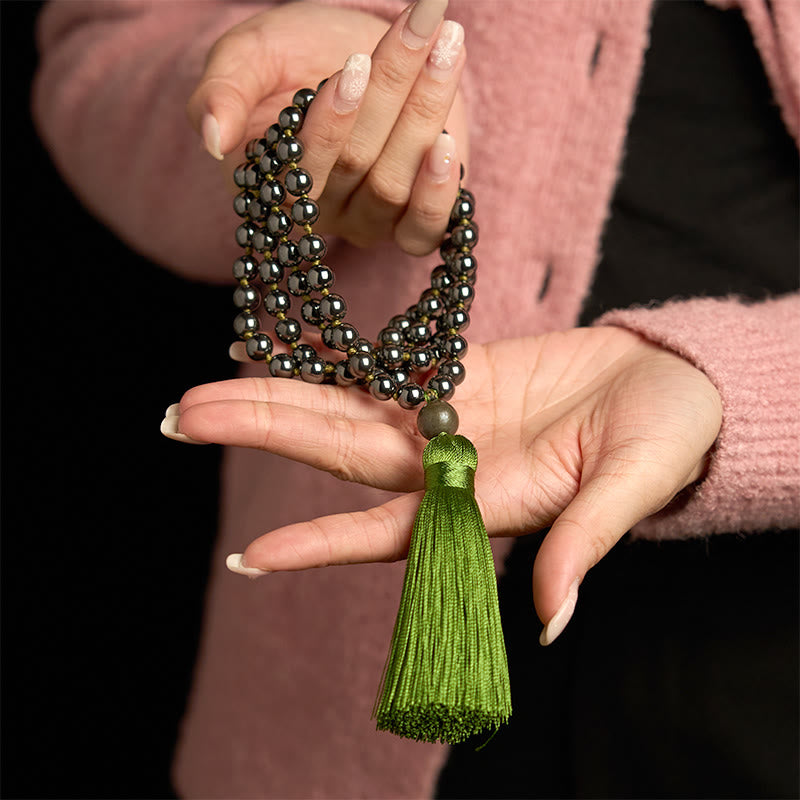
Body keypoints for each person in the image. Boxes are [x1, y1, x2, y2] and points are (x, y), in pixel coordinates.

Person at [34, 0, 798, 797]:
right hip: (330, 673)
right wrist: (267, 117)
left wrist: (730, 382)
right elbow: (105, 46)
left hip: (758, 666)